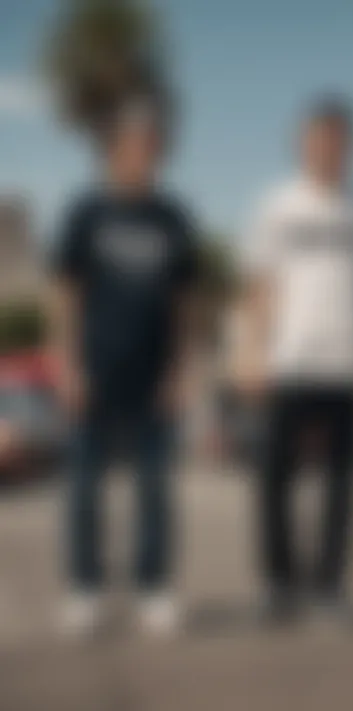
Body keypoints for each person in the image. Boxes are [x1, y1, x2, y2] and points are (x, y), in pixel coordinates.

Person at [242, 94, 353, 622]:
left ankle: (330, 587)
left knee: (343, 484)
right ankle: (279, 585)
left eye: (338, 141)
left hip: (350, 365)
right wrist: (255, 353)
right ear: (301, 145)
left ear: (351, 147)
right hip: (290, 361)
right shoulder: (277, 204)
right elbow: (262, 286)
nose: (327, 149)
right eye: (317, 139)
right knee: (274, 479)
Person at [51, 93, 200, 638]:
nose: (144, 153)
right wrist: (66, 366)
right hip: (93, 375)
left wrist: (181, 370)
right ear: (113, 150)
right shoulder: (85, 213)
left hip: (154, 381)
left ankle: (153, 588)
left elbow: (185, 305)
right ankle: (84, 589)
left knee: (155, 489)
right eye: (133, 143)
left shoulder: (173, 218)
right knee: (85, 487)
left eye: (152, 144)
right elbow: (67, 294)